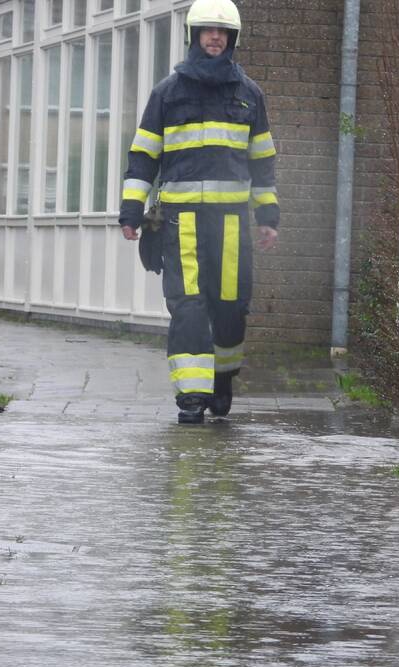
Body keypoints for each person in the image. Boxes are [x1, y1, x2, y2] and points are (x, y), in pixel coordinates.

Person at [119, 0, 279, 425]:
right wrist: (131, 212)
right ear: (194, 36)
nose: (215, 38)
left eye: (222, 32)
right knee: (188, 307)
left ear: (232, 39)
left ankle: (221, 380)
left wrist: (268, 216)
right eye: (208, 30)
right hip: (181, 221)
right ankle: (191, 396)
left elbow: (262, 159)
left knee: (230, 309)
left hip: (230, 225)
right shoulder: (167, 93)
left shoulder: (249, 94)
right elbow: (143, 156)